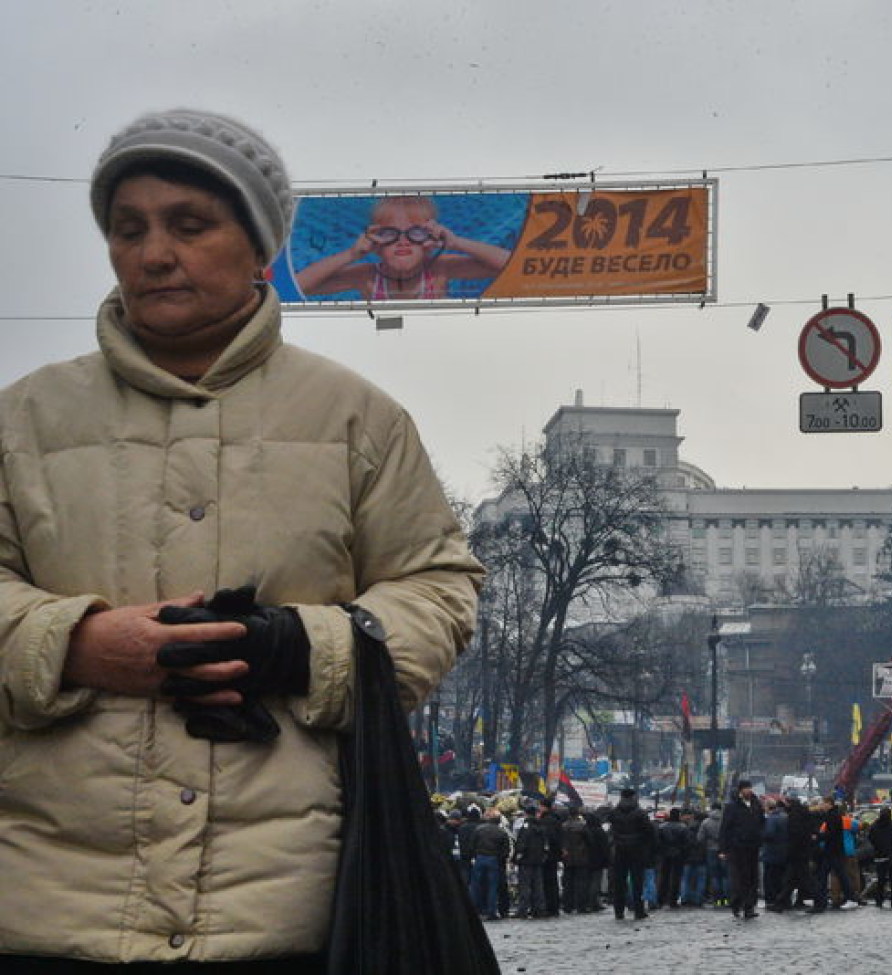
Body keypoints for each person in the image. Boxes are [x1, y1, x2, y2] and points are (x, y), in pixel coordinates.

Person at [0, 108, 483, 972]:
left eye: (190, 225)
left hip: (284, 908)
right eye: (128, 228)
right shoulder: (22, 419)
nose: (153, 253)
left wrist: (305, 647)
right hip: (49, 908)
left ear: (258, 246)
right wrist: (72, 643)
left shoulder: (357, 418)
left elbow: (438, 588)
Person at [295, 195, 512, 300]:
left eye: (416, 232)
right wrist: (351, 254)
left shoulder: (439, 270)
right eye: (389, 233)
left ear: (428, 243)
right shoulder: (368, 278)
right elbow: (299, 287)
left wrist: (457, 243)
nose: (403, 240)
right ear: (376, 245)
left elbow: (511, 266)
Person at [719, 779, 765, 919]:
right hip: (737, 848)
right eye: (746, 788)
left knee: (752, 878)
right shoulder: (732, 807)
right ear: (740, 791)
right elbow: (725, 828)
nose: (748, 791)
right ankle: (736, 903)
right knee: (739, 878)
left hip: (753, 846)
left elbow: (762, 823)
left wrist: (760, 837)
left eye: (749, 788)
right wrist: (723, 849)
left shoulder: (756, 805)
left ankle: (749, 907)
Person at [607, 788, 655, 920]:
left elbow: (611, 829)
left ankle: (619, 911)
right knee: (637, 882)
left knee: (619, 882)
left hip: (619, 850)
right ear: (633, 797)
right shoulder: (640, 813)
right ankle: (638, 911)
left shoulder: (614, 812)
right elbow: (649, 831)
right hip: (637, 850)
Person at [471, 808, 512, 921]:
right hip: (494, 860)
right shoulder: (502, 832)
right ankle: (491, 912)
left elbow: (472, 845)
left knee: (476, 886)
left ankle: (475, 909)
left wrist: (475, 855)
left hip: (479, 858)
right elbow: (506, 851)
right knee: (492, 887)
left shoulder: (479, 829)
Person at [512, 805, 550, 919]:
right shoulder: (542, 826)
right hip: (538, 860)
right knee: (538, 886)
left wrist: (516, 857)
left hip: (526, 860)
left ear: (526, 814)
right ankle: (539, 909)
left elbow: (522, 843)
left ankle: (522, 910)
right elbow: (546, 844)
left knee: (525, 886)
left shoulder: (526, 826)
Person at [867, 806, 892, 908]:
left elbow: (870, 838)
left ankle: (879, 900)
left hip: (880, 856)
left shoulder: (874, 826)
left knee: (881, 879)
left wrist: (877, 848)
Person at [656, 807, 691, 908]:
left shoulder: (662, 826)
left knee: (664, 877)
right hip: (678, 854)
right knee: (676, 878)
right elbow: (687, 843)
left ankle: (661, 899)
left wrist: (661, 851)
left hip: (665, 854)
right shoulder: (683, 827)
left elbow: (658, 841)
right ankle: (673, 900)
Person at [560, 803, 592, 914]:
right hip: (581, 857)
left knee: (568, 883)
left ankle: (567, 906)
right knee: (581, 883)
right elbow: (590, 841)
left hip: (567, 857)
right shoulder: (583, 826)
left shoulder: (563, 826)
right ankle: (581, 906)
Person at [759, 798, 789, 909]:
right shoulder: (785, 816)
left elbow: (769, 834)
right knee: (781, 878)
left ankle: (771, 900)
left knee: (770, 879)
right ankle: (782, 899)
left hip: (771, 853)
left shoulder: (772, 819)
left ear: (767, 807)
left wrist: (761, 835)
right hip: (784, 853)